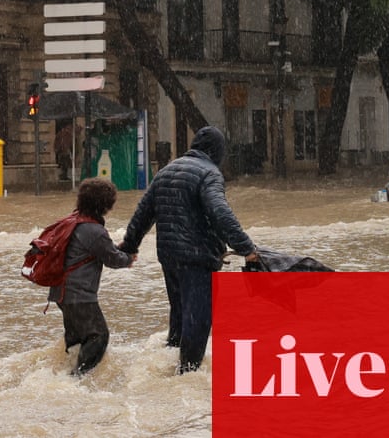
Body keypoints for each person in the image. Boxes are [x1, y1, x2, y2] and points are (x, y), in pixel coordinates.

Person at [119, 126, 259, 373]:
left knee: (180, 313)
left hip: (169, 256)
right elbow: (220, 212)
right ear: (216, 152)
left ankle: (167, 367)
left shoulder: (165, 171)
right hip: (197, 259)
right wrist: (246, 247)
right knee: (199, 318)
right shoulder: (209, 173)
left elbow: (143, 213)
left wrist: (129, 247)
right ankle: (187, 375)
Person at [51, 177, 136, 376]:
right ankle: (78, 379)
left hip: (61, 292)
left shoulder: (74, 221)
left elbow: (97, 251)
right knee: (99, 336)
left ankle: (64, 374)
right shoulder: (94, 230)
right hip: (79, 295)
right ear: (105, 204)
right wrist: (128, 259)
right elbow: (113, 259)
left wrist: (118, 252)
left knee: (76, 339)